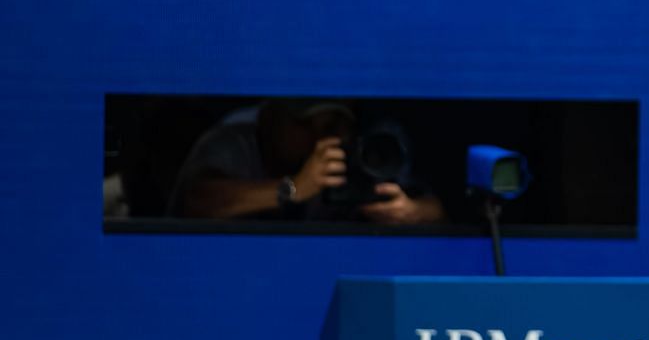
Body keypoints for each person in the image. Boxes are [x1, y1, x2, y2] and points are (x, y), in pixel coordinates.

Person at [170, 99, 444, 224]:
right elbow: (196, 202)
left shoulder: (364, 150)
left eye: (336, 124)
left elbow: (435, 209)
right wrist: (292, 188)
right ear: (271, 118)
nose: (322, 137)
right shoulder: (235, 139)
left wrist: (409, 211)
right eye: (307, 124)